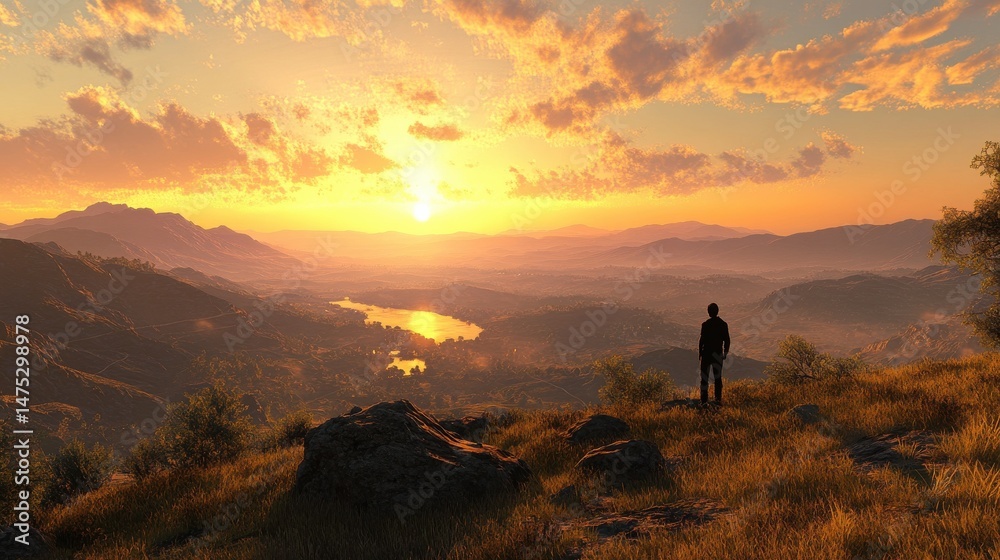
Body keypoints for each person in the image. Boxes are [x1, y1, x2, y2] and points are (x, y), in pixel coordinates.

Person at [698, 302, 730, 406]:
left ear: (709, 312)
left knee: (704, 379)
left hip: (706, 354)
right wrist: (725, 352)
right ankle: (718, 400)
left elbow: (701, 341)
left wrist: (700, 353)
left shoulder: (705, 325)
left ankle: (704, 401)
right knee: (717, 378)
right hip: (718, 355)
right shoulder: (723, 324)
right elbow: (727, 340)